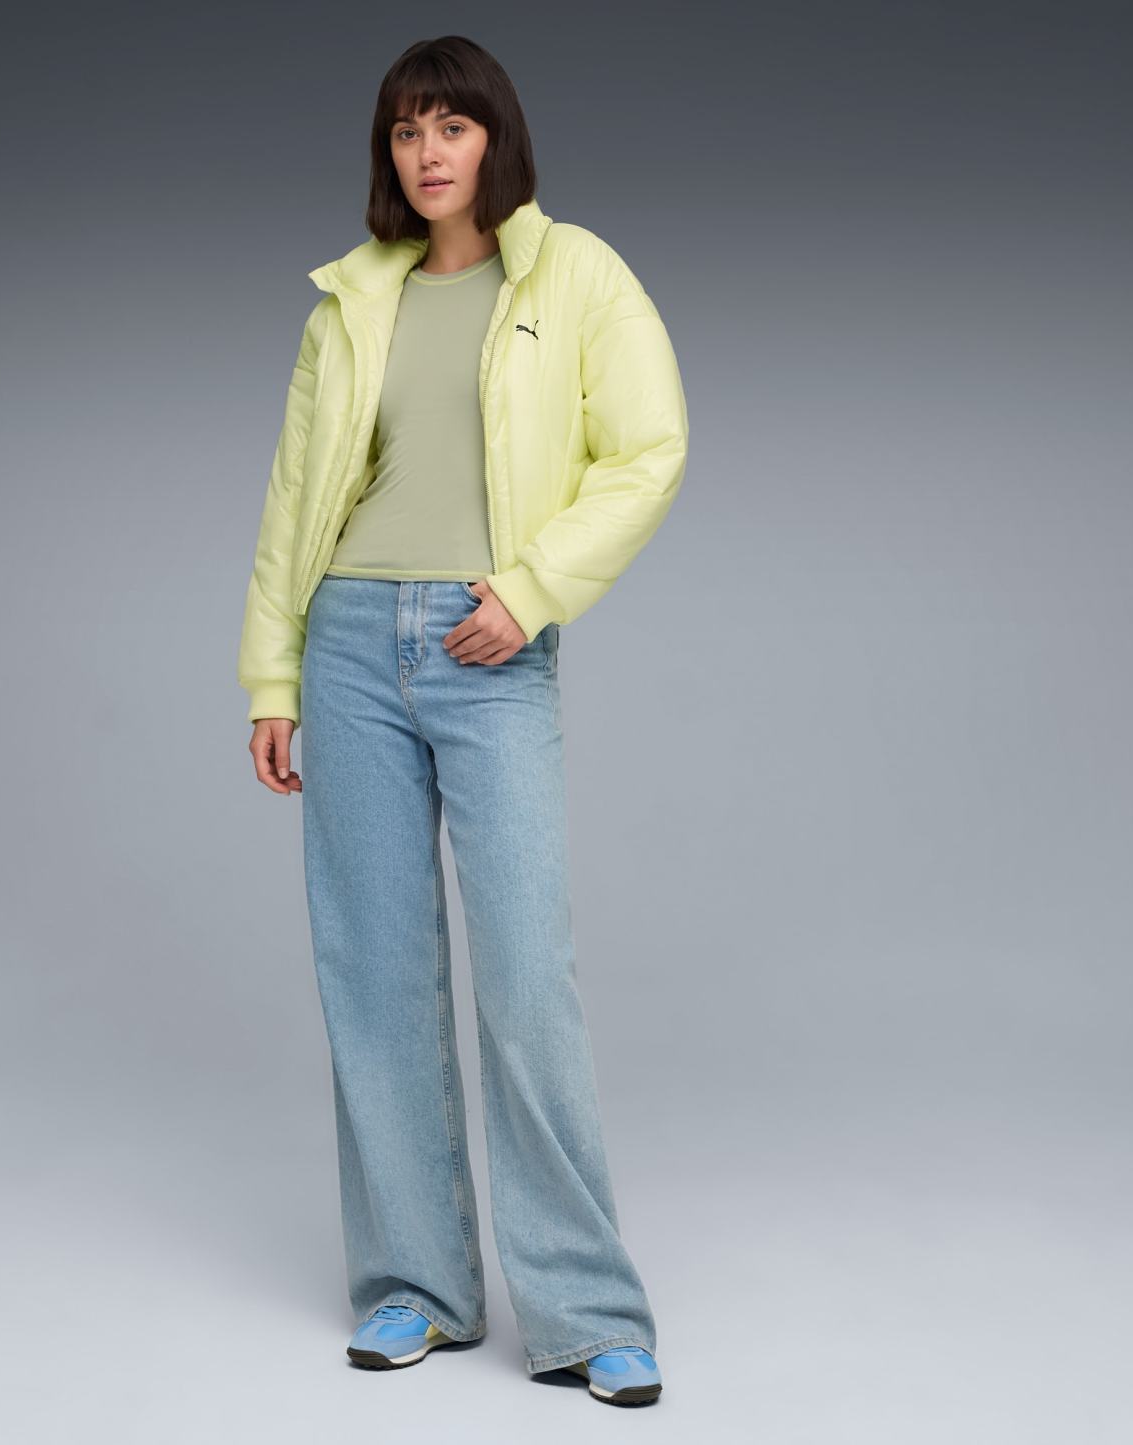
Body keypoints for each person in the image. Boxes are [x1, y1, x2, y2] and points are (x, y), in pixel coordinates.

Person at [237, 35, 688, 1408]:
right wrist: (272, 676)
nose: (427, 152)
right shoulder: (349, 300)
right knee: (373, 971)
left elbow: (647, 451)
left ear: (497, 138)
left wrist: (531, 591)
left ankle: (586, 1309)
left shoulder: (575, 275)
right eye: (405, 130)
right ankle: (412, 1287)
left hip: (489, 640)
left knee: (526, 978)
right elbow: (293, 500)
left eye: (451, 125)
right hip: (348, 644)